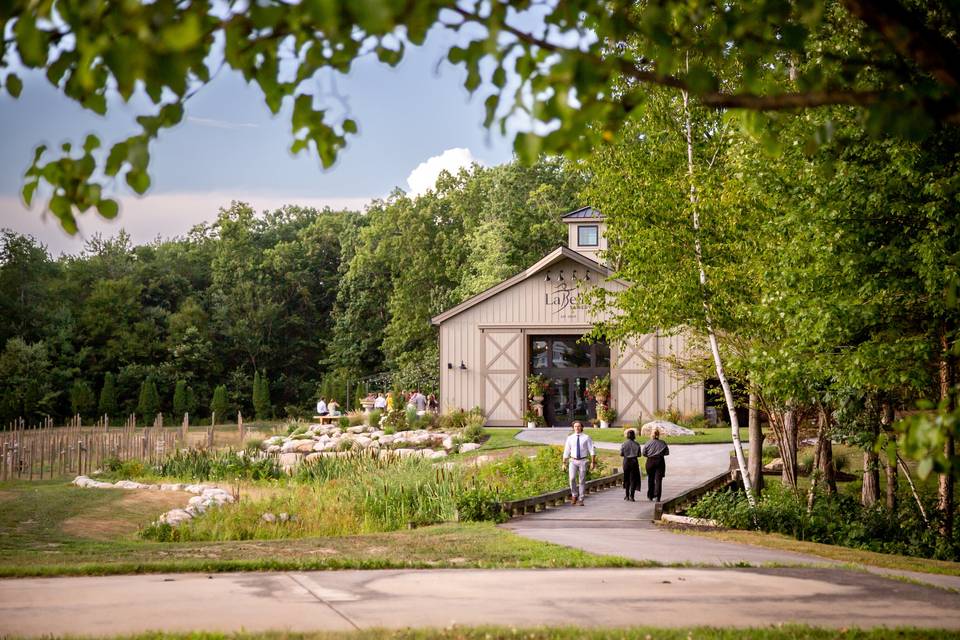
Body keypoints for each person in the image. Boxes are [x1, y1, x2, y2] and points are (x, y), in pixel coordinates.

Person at [562, 421, 595, 506]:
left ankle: (581, 499)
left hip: (583, 461)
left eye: (579, 426)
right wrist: (564, 463)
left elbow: (592, 450)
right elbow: (566, 451)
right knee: (572, 478)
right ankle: (574, 495)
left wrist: (592, 462)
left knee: (582, 480)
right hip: (572, 460)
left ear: (581, 427)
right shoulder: (570, 438)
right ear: (573, 428)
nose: (577, 428)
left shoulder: (586, 437)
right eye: (575, 426)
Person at [642, 428, 669, 502]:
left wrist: (650, 454)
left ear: (651, 435)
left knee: (650, 479)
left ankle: (650, 495)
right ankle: (658, 496)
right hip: (660, 461)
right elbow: (667, 453)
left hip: (650, 461)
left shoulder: (648, 443)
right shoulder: (663, 443)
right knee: (658, 480)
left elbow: (644, 453)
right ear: (658, 435)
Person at [620, 429, 641, 501]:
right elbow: (639, 455)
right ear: (634, 436)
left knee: (626, 479)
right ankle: (632, 496)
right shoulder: (637, 444)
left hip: (626, 462)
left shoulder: (624, 444)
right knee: (633, 479)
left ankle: (627, 496)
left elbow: (621, 454)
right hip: (634, 462)